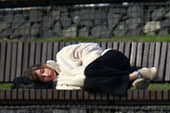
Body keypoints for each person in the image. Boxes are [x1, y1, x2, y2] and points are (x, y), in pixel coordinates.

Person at [20, 42, 158, 96]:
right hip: (105, 78)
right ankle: (136, 76)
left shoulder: (62, 56)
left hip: (112, 59)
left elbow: (90, 47)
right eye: (43, 78)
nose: (46, 75)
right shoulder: (61, 84)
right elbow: (81, 88)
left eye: (43, 71)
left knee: (90, 72)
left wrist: (91, 64)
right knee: (90, 84)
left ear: (43, 66)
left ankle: (134, 75)